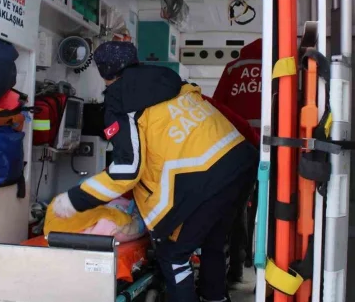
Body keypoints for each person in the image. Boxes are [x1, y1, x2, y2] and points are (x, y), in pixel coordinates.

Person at [51, 41, 257, 302]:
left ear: (104, 74)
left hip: (209, 174)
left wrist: (73, 200)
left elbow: (127, 169)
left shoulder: (119, 99)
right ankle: (215, 298)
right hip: (241, 162)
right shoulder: (170, 80)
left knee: (173, 254)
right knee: (213, 240)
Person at [212, 38, 263, 284]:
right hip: (275, 149)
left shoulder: (233, 67)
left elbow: (217, 108)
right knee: (273, 209)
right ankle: (266, 272)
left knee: (236, 209)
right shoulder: (281, 66)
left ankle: (235, 269)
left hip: (239, 148)